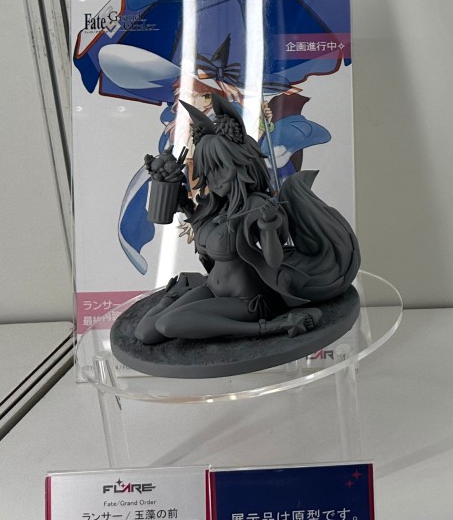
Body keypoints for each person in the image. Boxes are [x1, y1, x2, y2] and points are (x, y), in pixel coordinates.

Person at [135, 93, 359, 344]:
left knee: (168, 324)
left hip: (246, 300)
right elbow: (206, 241)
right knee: (146, 333)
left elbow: (273, 260)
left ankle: (271, 327)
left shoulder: (257, 206)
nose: (214, 179)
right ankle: (177, 301)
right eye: (209, 170)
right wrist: (185, 206)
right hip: (212, 289)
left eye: (221, 168)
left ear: (242, 164)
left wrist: (269, 227)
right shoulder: (215, 206)